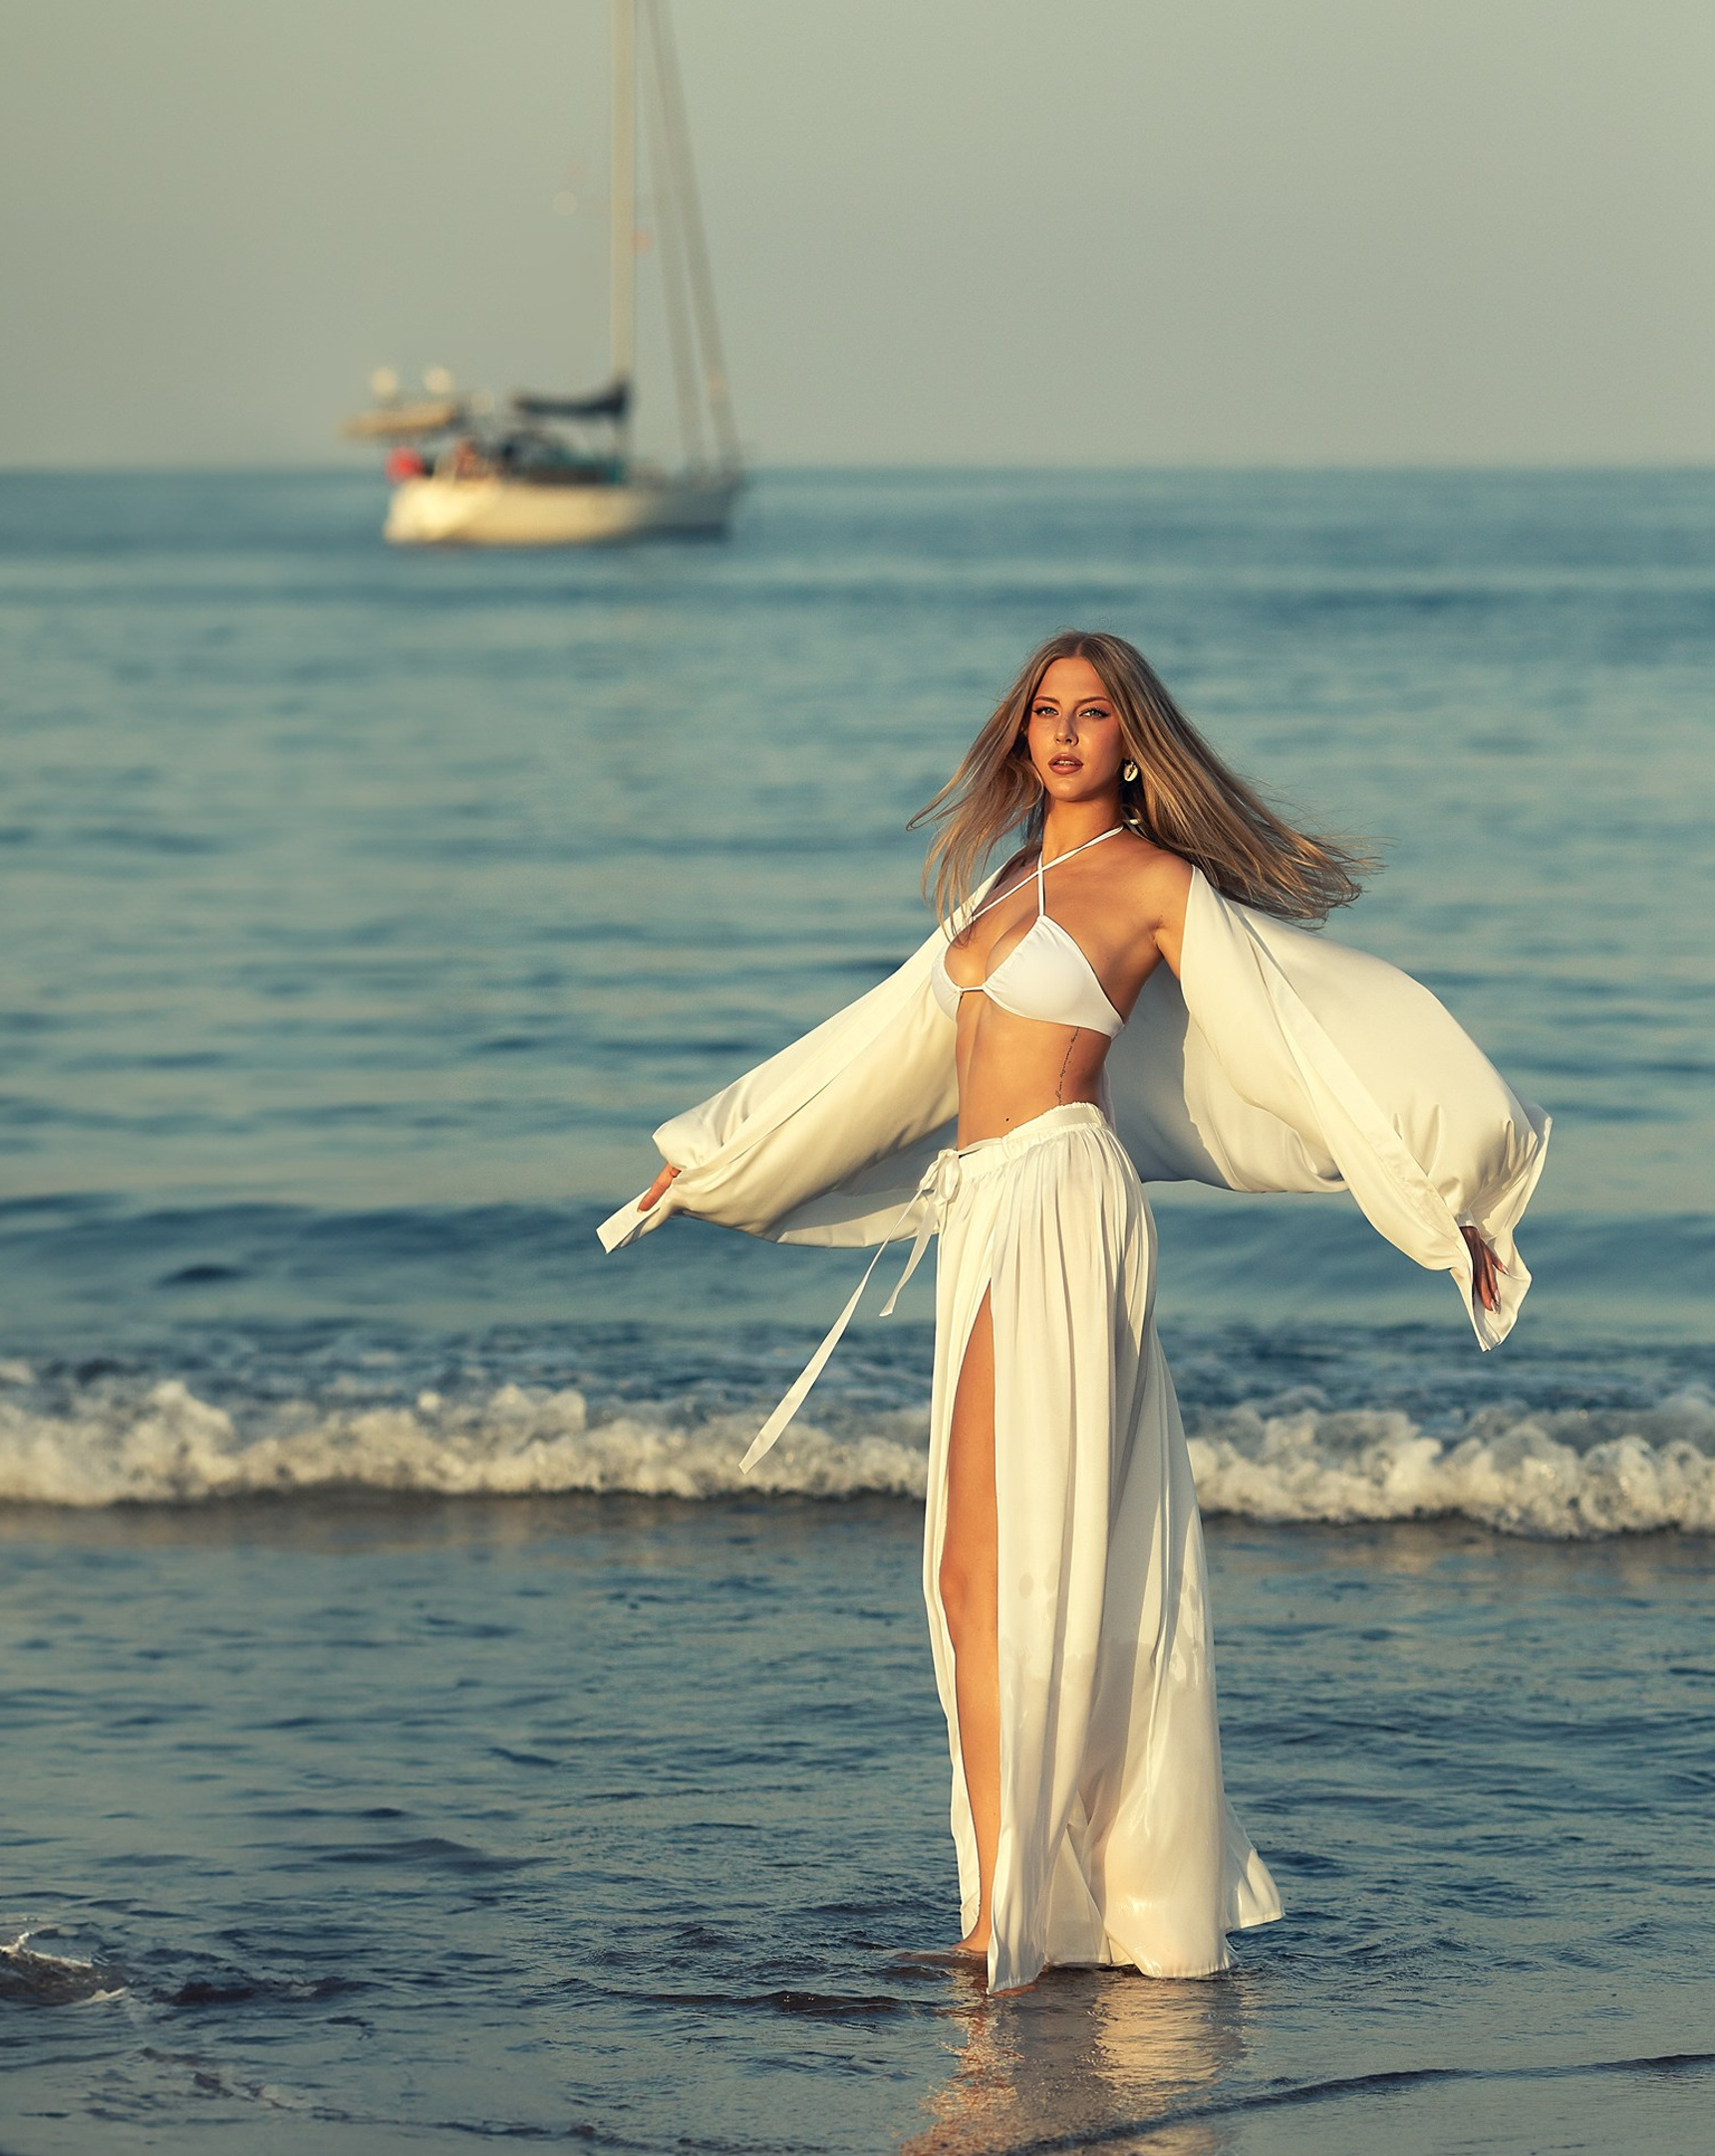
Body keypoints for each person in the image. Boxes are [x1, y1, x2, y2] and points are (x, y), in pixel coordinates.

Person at [600, 632, 1549, 1995]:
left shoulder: (1154, 885)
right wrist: (713, 1159)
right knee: (965, 1575)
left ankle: (1016, 1920)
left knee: (1026, 1564)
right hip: (980, 1205)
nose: (1061, 733)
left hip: (1061, 1201)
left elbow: (1299, 1046)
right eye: (1044, 711)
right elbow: (874, 1051)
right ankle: (1009, 1900)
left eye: (1091, 712)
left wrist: (1442, 1205)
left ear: (1132, 738)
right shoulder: (1003, 886)